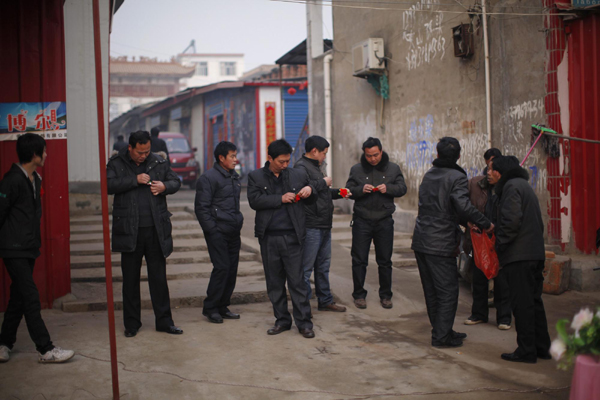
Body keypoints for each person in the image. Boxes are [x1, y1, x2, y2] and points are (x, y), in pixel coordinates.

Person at [411, 137, 493, 348]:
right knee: (447, 291)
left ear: (437, 155)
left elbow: (439, 207)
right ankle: (441, 336)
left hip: (421, 239)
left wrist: (463, 221)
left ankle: (442, 329)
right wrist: (485, 223)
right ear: (458, 156)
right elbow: (462, 206)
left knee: (432, 290)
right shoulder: (457, 176)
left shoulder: (429, 175)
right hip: (440, 242)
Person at [0, 133, 74, 363]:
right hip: (13, 248)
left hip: (28, 247)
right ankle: (45, 349)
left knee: (18, 297)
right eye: (44, 150)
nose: (46, 154)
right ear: (34, 154)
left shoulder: (36, 179)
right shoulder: (11, 180)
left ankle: (4, 343)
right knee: (31, 296)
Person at [107, 130, 183, 337]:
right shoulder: (116, 163)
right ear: (130, 148)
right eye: (140, 152)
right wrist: (134, 179)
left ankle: (164, 321)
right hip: (129, 231)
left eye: (146, 151)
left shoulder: (158, 162)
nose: (143, 156)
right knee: (130, 280)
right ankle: (132, 324)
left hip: (155, 230)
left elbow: (176, 181)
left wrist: (165, 186)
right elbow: (108, 185)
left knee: (158, 278)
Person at [247, 139, 317, 339]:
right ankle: (282, 321)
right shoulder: (256, 177)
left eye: (288, 161)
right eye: (281, 161)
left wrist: (309, 191)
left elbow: (312, 197)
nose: (285, 165)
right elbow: (255, 201)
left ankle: (304, 323)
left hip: (293, 237)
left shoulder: (297, 174)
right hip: (269, 238)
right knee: (275, 282)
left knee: (297, 282)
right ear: (269, 158)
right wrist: (279, 198)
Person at [488, 155, 551, 363]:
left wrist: (500, 245)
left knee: (522, 304)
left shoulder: (511, 188)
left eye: (491, 170)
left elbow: (511, 221)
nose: (488, 173)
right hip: (534, 253)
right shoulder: (523, 185)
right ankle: (541, 347)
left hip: (519, 256)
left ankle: (526, 351)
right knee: (534, 301)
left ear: (499, 172)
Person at [345, 137, 407, 310]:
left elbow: (402, 188)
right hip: (361, 220)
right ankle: (359, 295)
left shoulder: (393, 168)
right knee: (359, 259)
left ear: (381, 151)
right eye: (369, 156)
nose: (372, 159)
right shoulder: (356, 169)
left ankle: (386, 295)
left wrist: (389, 188)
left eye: (375, 155)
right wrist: (359, 190)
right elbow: (348, 191)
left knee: (385, 260)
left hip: (384, 221)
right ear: (364, 154)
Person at [294, 136, 348, 313]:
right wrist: (323, 182)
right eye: (324, 153)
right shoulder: (301, 168)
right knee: (306, 268)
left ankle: (325, 300)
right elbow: (304, 192)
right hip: (311, 225)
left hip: (324, 223)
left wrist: (341, 192)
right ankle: (303, 305)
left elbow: (321, 192)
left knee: (323, 266)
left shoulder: (318, 167)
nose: (325, 156)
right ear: (314, 151)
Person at [195, 141, 243, 324]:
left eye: (235, 155)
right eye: (232, 156)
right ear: (221, 158)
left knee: (231, 270)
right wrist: (212, 230)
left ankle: (223, 306)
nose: (235, 160)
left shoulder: (233, 177)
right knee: (222, 267)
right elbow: (201, 208)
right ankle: (211, 307)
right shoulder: (208, 178)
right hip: (217, 232)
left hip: (233, 230)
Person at [463, 148, 512, 330]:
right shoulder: (475, 184)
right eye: (489, 165)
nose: (490, 170)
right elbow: (463, 208)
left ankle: (504, 317)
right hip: (479, 240)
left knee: (502, 280)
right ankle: (479, 314)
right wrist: (469, 223)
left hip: (500, 240)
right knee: (479, 277)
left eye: (495, 166)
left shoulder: (507, 189)